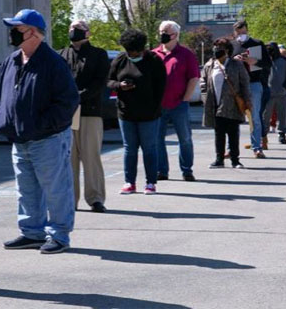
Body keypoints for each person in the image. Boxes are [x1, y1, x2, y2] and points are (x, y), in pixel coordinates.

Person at [0, 9, 79, 254]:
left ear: (33, 32)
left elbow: (67, 102)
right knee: (26, 189)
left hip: (48, 139)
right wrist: (2, 120)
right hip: (20, 139)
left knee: (56, 189)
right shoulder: (12, 61)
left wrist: (42, 125)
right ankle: (32, 232)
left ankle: (60, 235)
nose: (11, 33)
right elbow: (1, 96)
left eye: (17, 29)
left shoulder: (53, 62)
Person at [107, 29, 166, 195]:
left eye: (134, 52)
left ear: (142, 49)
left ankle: (151, 183)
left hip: (149, 114)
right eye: (128, 51)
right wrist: (120, 86)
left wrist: (155, 108)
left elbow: (161, 87)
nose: (131, 55)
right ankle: (129, 182)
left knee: (149, 148)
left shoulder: (154, 60)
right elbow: (109, 81)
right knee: (129, 149)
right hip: (126, 113)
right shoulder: (120, 59)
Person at [58, 20, 109, 213]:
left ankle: (95, 198)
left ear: (87, 33)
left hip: (90, 111)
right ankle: (70, 200)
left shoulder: (98, 54)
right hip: (67, 114)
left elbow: (100, 82)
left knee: (91, 157)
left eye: (78, 29)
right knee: (68, 159)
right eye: (71, 28)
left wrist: (78, 97)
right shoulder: (61, 55)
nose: (73, 31)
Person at [152, 21, 200, 182]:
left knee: (185, 138)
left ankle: (187, 170)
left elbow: (194, 78)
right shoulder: (153, 54)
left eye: (166, 31)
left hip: (179, 104)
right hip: (158, 106)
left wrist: (185, 98)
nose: (162, 34)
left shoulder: (186, 54)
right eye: (161, 31)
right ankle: (161, 171)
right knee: (157, 139)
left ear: (176, 35)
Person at [202, 37, 252, 169]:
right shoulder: (210, 65)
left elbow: (245, 84)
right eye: (215, 48)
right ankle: (219, 159)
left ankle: (235, 160)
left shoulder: (237, 65)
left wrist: (247, 101)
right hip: (215, 104)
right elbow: (204, 82)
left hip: (232, 104)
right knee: (219, 133)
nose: (216, 50)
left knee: (233, 132)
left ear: (227, 51)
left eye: (220, 48)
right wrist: (205, 98)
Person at [231, 20, 271, 158]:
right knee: (233, 118)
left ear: (247, 30)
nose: (241, 34)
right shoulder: (232, 45)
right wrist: (234, 59)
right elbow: (223, 63)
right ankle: (231, 149)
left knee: (255, 117)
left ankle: (257, 147)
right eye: (238, 32)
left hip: (254, 83)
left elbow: (268, 63)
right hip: (236, 85)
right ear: (234, 32)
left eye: (243, 31)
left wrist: (255, 61)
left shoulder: (256, 43)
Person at [263, 42, 286, 145]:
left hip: (282, 93)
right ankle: (263, 135)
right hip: (268, 93)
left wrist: (285, 87)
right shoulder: (265, 60)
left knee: (282, 115)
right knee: (265, 115)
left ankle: (282, 134)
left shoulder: (285, 61)